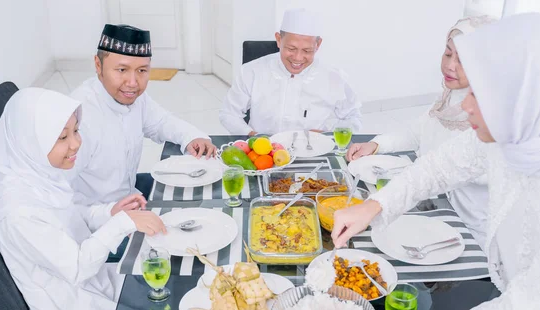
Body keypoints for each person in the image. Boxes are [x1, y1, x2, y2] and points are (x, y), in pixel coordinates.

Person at [329, 14, 540, 310]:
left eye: (479, 95)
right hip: (505, 307)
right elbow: (437, 167)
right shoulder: (513, 132)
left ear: (524, 99)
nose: (465, 106)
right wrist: (374, 207)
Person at [0, 88, 167, 310]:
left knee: (170, 306)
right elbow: (77, 266)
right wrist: (124, 223)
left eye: (76, 130)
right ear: (32, 141)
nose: (76, 143)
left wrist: (109, 212)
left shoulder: (35, 175)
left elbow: (70, 215)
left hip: (96, 285)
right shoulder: (17, 212)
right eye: (62, 137)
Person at [347, 16, 495, 248]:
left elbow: (445, 170)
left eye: (463, 60)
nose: (449, 65)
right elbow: (418, 130)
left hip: (466, 229)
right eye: (448, 54)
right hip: (427, 202)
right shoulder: (451, 95)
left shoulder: (491, 116)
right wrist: (377, 144)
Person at [69, 24, 216, 204]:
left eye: (142, 70)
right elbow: (61, 196)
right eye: (122, 70)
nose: (132, 83)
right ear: (98, 65)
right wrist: (111, 217)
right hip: (100, 219)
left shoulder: (135, 98)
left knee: (204, 192)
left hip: (132, 194)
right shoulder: (76, 120)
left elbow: (161, 122)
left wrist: (193, 136)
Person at [219, 8, 362, 137]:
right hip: (263, 154)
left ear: (317, 45)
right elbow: (229, 114)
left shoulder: (334, 77)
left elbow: (353, 116)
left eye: (307, 51)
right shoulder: (252, 71)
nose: (298, 58)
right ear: (278, 39)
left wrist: (329, 135)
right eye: (291, 49)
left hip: (313, 151)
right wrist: (252, 135)